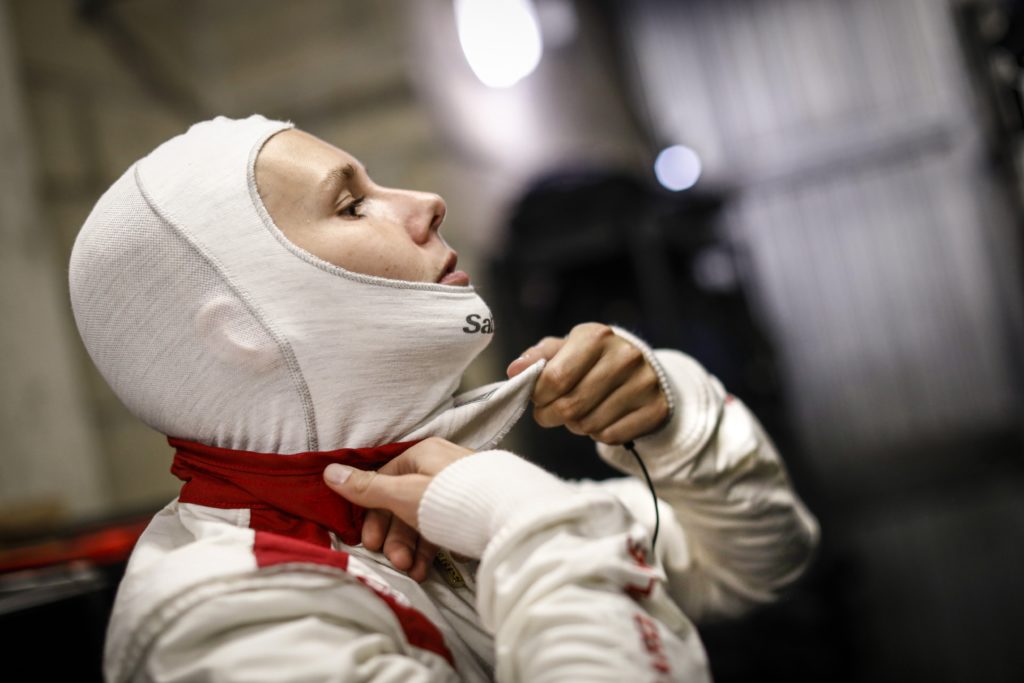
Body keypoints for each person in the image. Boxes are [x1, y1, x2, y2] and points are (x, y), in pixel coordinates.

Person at [68, 114, 819, 682]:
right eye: (352, 206)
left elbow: (756, 565)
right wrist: (536, 523)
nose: (427, 201)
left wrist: (673, 420)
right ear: (245, 326)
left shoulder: (446, 484)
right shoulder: (224, 623)